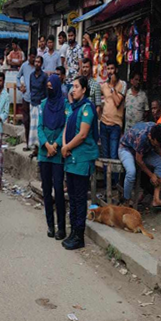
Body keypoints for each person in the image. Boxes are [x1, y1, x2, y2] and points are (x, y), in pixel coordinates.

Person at [61, 76, 100, 250]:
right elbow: (66, 128)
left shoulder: (87, 109)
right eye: (72, 86)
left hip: (81, 159)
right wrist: (64, 146)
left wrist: (67, 146)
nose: (73, 89)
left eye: (76, 86)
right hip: (70, 158)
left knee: (79, 197)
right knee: (72, 197)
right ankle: (73, 232)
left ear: (84, 90)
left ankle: (79, 235)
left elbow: (83, 134)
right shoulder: (71, 108)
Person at [38, 74, 68, 240]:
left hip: (57, 154)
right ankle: (50, 225)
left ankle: (61, 227)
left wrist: (56, 144)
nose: (49, 88)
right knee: (46, 191)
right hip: (44, 153)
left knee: (58, 190)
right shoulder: (43, 104)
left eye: (51, 86)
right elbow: (39, 128)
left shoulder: (64, 104)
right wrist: (46, 145)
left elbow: (65, 126)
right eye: (47, 86)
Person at [119, 122, 161, 209]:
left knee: (159, 162)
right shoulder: (141, 137)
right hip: (127, 149)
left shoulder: (156, 130)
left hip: (143, 151)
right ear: (150, 137)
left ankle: (156, 199)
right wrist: (151, 175)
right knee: (131, 172)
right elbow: (139, 160)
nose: (156, 145)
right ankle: (126, 200)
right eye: (155, 143)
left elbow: (157, 147)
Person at [100, 63, 126, 158]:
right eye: (108, 69)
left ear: (116, 70)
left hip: (115, 125)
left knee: (113, 156)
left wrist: (112, 87)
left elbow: (117, 102)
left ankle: (113, 174)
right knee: (105, 155)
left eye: (112, 68)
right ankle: (106, 173)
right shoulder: (104, 86)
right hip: (104, 123)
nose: (110, 71)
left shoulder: (122, 84)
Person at [27, 54, 46, 155]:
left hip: (40, 104)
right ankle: (35, 148)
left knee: (39, 126)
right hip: (33, 103)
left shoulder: (44, 76)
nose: (37, 64)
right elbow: (31, 88)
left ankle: (40, 149)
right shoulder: (31, 75)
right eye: (36, 62)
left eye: (39, 62)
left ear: (41, 64)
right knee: (33, 126)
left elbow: (45, 91)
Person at [18, 53, 37, 146]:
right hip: (25, 97)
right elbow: (18, 77)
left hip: (35, 99)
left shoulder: (38, 67)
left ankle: (34, 143)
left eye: (35, 57)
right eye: (32, 57)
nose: (33, 59)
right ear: (29, 56)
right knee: (26, 121)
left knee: (34, 121)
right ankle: (27, 143)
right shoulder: (24, 66)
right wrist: (19, 86)